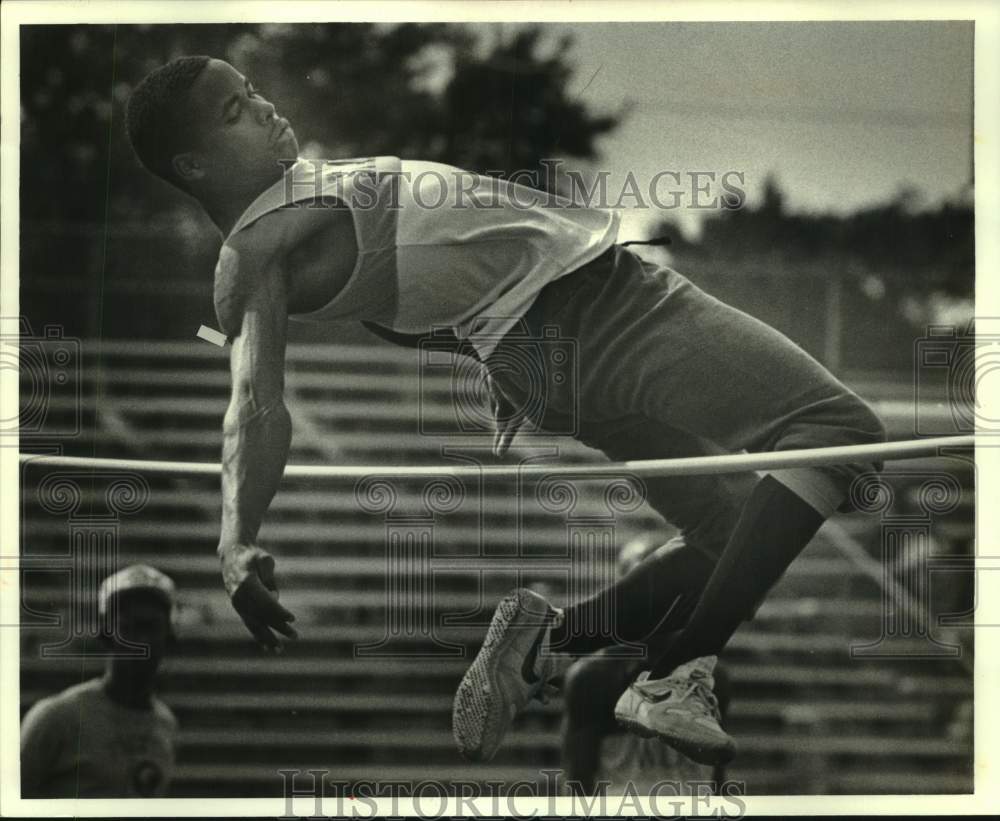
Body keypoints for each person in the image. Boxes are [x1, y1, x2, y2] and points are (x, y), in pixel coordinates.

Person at [124, 56, 886, 766]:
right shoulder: (255, 250)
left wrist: (490, 353)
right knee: (837, 427)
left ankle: (546, 642)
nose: (264, 107)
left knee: (724, 532)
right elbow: (254, 404)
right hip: (604, 312)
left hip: (558, 349)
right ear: (194, 165)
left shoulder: (306, 195)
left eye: (253, 90)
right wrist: (236, 541)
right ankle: (679, 670)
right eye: (235, 111)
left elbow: (420, 283)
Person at [561, 537, 733, 796]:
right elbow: (576, 785)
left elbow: (717, 780)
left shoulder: (712, 676)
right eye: (646, 586)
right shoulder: (593, 679)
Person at [20, 565, 179, 798]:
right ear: (107, 634)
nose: (141, 641)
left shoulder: (165, 725)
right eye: (129, 628)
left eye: (152, 627)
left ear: (169, 636)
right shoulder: (57, 718)